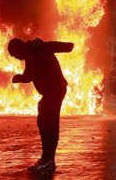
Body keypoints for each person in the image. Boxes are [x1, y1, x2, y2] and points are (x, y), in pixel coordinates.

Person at [8, 37, 74, 174]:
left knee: (49, 124)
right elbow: (29, 76)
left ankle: (48, 161)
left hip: (56, 89)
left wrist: (48, 45)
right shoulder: (30, 55)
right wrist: (18, 78)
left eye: (15, 55)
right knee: (44, 122)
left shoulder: (38, 48)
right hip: (52, 91)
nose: (17, 58)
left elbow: (68, 46)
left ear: (19, 49)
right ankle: (47, 159)